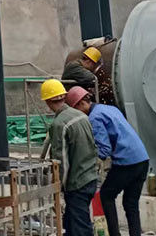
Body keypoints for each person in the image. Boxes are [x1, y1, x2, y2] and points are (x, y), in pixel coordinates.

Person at [66, 86, 149, 236]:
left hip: (127, 162)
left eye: (76, 110)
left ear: (81, 104)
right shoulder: (109, 108)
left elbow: (104, 149)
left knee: (106, 195)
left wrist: (84, 158)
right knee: (131, 203)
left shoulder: (94, 118)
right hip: (142, 159)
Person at [41, 79, 97, 236]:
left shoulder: (59, 124)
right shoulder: (81, 115)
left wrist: (58, 187)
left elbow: (61, 162)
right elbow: (94, 146)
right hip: (90, 178)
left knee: (81, 229)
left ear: (48, 102)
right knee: (72, 225)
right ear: (63, 96)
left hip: (77, 184)